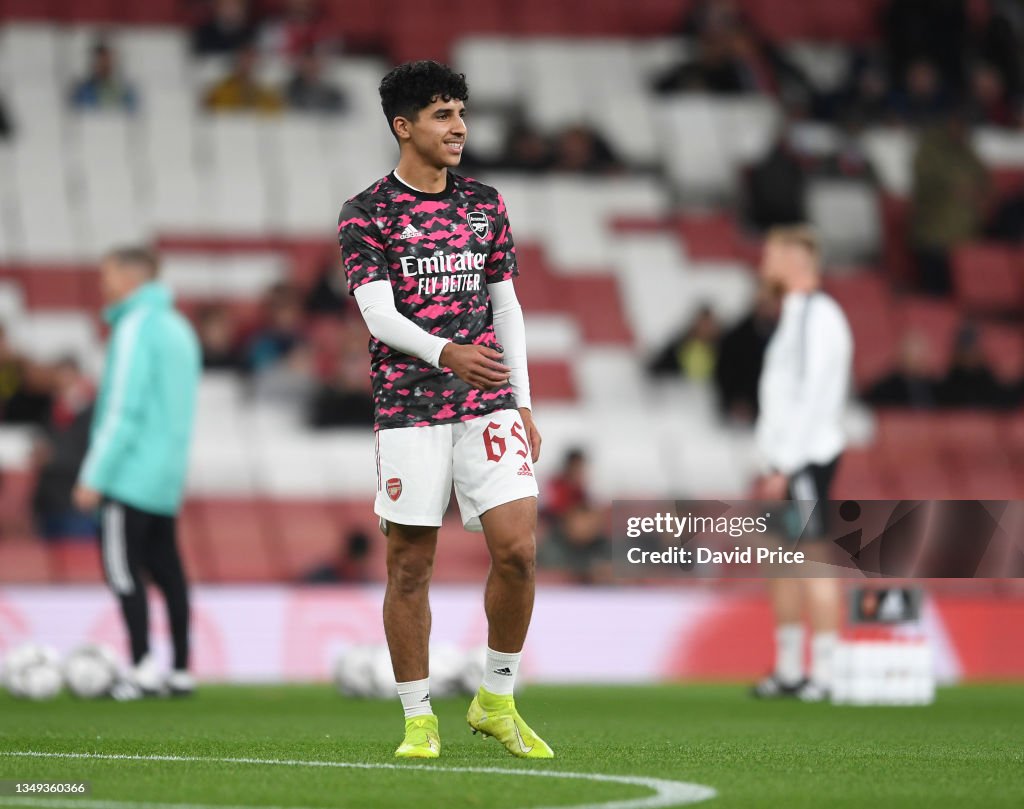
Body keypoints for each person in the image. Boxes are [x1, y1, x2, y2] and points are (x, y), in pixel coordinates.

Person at [338, 60, 552, 760]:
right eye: (441, 114)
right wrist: (445, 352)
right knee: (410, 566)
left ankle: (495, 698)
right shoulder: (366, 212)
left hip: (487, 402)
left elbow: (506, 304)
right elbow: (376, 313)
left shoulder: (485, 203)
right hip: (409, 407)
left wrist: (521, 400)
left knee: (518, 548)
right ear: (404, 126)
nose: (459, 126)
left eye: (461, 111)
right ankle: (418, 718)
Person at [72, 247, 201, 698]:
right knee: (168, 571)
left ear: (129, 277)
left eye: (108, 274)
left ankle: (142, 665)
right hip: (166, 475)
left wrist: (94, 474)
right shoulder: (179, 329)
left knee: (123, 571)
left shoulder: (133, 327)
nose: (104, 283)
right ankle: (181, 669)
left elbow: (122, 408)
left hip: (129, 474)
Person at [752, 226, 853, 702]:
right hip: (785, 461)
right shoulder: (795, 315)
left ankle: (827, 672)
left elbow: (815, 396)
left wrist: (786, 465)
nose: (763, 262)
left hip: (805, 461)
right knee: (780, 560)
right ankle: (791, 668)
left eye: (771, 254)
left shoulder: (819, 314)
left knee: (812, 559)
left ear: (796, 258)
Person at [31, 357, 97, 540]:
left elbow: (91, 456)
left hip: (75, 502)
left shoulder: (91, 412)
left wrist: (53, 457)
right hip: (49, 501)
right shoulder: (51, 409)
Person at [203, 47, 283, 114]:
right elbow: (210, 108)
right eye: (244, 61)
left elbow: (274, 111)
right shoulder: (222, 88)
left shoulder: (266, 92)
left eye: (251, 62)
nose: (248, 66)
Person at [69, 39, 138, 113]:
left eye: (107, 62)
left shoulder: (124, 91)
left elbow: (132, 112)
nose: (104, 66)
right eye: (100, 62)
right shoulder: (82, 91)